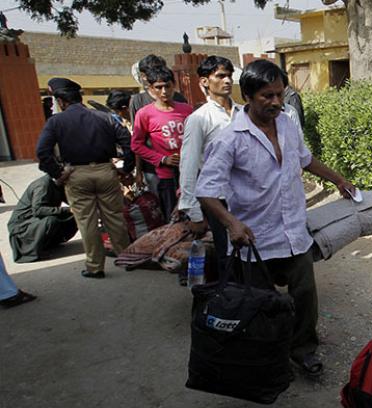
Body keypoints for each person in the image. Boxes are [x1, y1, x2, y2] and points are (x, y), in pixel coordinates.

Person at [195, 59, 354, 378]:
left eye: (280, 95)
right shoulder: (230, 139)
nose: (277, 102)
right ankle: (268, 356)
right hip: (256, 241)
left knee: (305, 297)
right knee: (262, 305)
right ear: (250, 96)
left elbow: (306, 160)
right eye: (268, 96)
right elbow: (206, 190)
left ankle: (303, 350)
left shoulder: (287, 125)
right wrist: (232, 223)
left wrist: (338, 179)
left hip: (294, 234)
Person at [35, 77, 134, 279]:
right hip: (106, 170)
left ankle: (95, 267)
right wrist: (126, 170)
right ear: (79, 97)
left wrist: (58, 173)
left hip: (76, 174)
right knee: (114, 217)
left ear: (61, 101)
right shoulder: (104, 117)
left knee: (86, 221)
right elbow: (128, 143)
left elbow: (42, 153)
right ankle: (127, 259)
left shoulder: (55, 122)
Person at [178, 55, 240, 274]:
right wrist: (193, 211)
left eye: (229, 76)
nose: (227, 80)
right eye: (220, 76)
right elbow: (189, 165)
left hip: (247, 195)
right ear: (205, 81)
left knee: (249, 247)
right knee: (227, 252)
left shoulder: (243, 114)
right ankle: (231, 299)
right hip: (218, 199)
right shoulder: (199, 119)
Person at [131, 66, 193, 219]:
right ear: (151, 89)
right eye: (159, 87)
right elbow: (136, 145)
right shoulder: (144, 114)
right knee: (173, 216)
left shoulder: (187, 110)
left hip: (191, 172)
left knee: (196, 215)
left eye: (167, 86)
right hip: (167, 176)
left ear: (174, 86)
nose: (164, 91)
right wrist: (162, 159)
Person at [7, 175, 78, 263]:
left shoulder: (58, 183)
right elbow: (38, 210)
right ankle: (33, 251)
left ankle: (50, 243)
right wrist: (68, 209)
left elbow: (70, 200)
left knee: (75, 215)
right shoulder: (42, 185)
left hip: (36, 219)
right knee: (51, 221)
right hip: (22, 226)